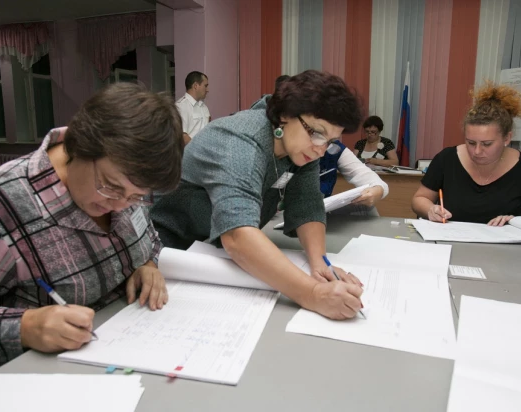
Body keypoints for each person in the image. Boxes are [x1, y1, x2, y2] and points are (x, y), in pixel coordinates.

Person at [0, 83, 184, 374]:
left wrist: (147, 262)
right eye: (110, 187)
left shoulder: (125, 185)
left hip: (122, 357)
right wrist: (24, 327)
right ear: (79, 146)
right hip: (37, 382)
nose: (122, 205)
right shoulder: (1, 205)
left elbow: (150, 239)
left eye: (136, 197)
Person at [151, 70, 366, 320]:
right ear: (285, 115)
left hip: (213, 252)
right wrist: (313, 294)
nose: (321, 149)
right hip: (171, 254)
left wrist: (320, 264)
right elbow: (238, 236)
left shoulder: (299, 146)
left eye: (330, 141)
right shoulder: (241, 142)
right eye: (317, 133)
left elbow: (308, 205)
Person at [411, 81, 521, 226]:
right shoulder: (447, 159)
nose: (477, 151)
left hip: (503, 247)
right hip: (451, 242)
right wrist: (430, 209)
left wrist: (516, 222)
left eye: (487, 144)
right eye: (471, 142)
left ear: (507, 138)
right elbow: (419, 199)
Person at [319, 141, 389, 214]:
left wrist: (378, 189)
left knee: (367, 208)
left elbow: (361, 172)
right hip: (308, 212)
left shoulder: (336, 147)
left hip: (323, 208)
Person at [176, 71, 211, 145]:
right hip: (189, 154)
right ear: (195, 86)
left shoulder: (204, 107)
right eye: (205, 86)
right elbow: (182, 137)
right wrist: (199, 150)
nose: (207, 90)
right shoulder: (181, 106)